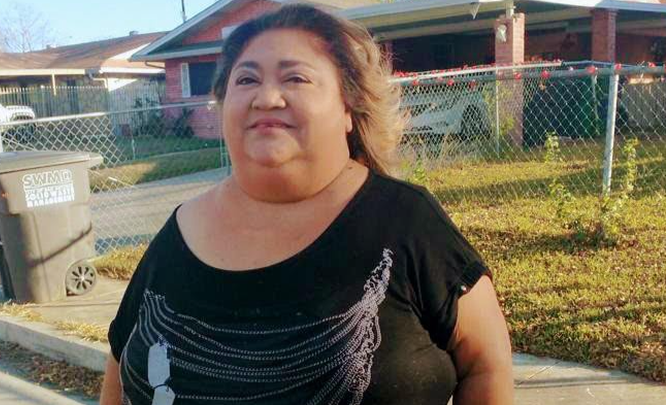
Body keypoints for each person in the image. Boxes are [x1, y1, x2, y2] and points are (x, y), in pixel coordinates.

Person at [100, 4, 513, 405]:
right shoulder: (179, 231)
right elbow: (121, 364)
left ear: (348, 108)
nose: (266, 97)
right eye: (246, 80)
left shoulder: (406, 221)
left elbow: (485, 363)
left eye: (295, 77)